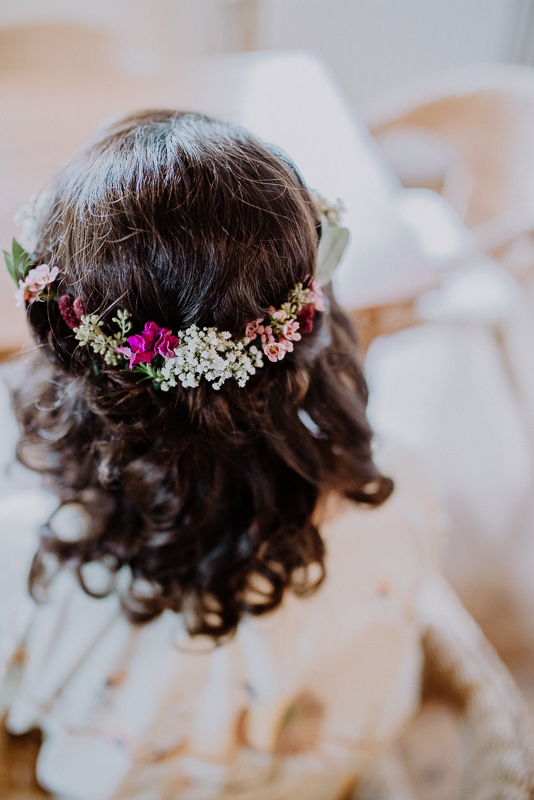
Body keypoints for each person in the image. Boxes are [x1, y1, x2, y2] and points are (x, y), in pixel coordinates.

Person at [0, 110, 532, 800]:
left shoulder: (29, 537)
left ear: (68, 345)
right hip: (310, 776)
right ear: (309, 308)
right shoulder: (396, 494)